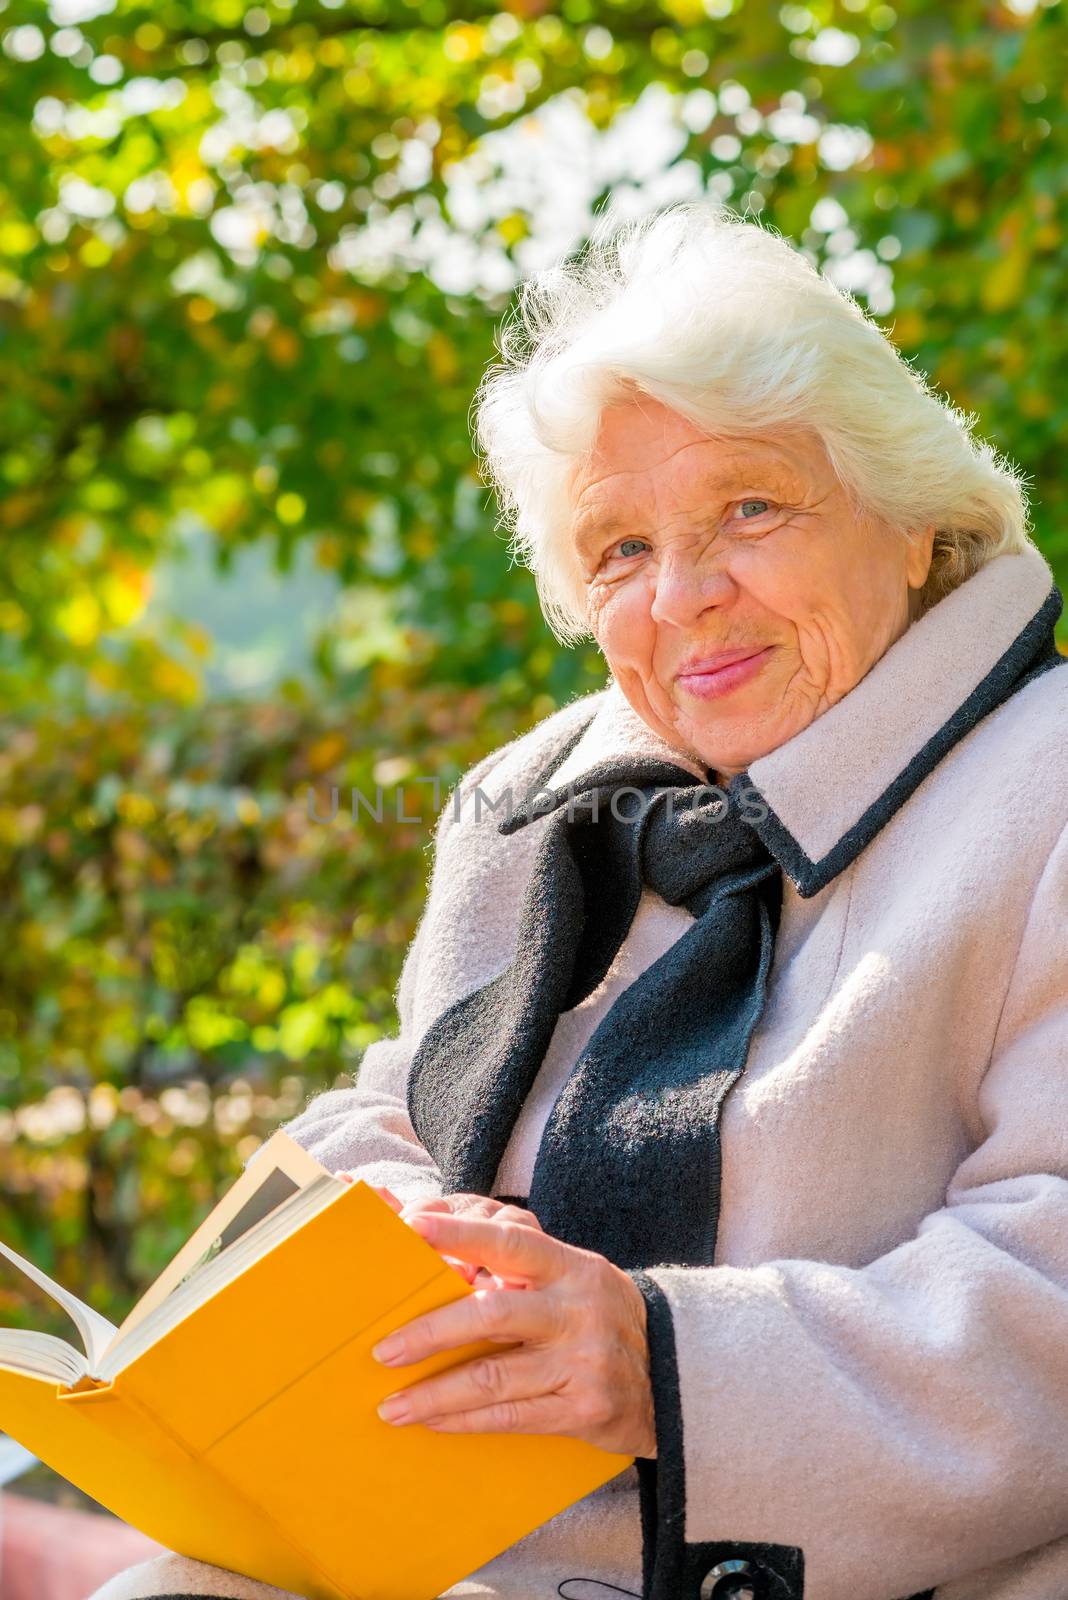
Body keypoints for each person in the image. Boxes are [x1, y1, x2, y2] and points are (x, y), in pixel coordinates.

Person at [94, 203, 1068, 1600]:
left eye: (751, 508)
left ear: (917, 524)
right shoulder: (536, 797)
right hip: (449, 1544)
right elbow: (400, 1102)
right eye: (618, 551)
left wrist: (668, 1366)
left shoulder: (1048, 784)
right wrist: (388, 1239)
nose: (684, 596)